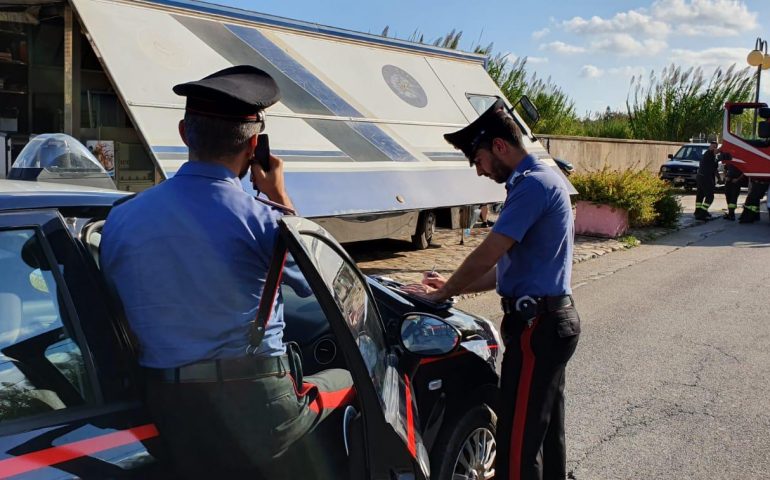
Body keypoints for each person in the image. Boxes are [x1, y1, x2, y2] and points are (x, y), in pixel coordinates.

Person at [100, 65, 352, 479]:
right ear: (255, 146)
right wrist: (279, 195)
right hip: (256, 402)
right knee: (348, 381)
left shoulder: (120, 220)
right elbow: (319, 287)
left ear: (184, 133)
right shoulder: (266, 221)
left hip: (167, 404)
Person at [402, 98, 580, 480]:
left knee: (517, 444)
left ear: (499, 146)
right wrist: (453, 288)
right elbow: (505, 271)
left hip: (538, 325)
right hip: (548, 319)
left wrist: (442, 291)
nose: (479, 171)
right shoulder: (541, 180)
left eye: (478, 160)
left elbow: (489, 251)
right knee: (545, 435)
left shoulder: (532, 186)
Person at [694, 141, 719, 220]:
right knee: (710, 196)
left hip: (700, 177)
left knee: (700, 195)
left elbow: (714, 169)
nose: (714, 148)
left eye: (715, 147)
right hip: (705, 178)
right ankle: (702, 213)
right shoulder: (709, 155)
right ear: (710, 147)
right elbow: (713, 167)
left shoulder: (708, 154)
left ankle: (698, 211)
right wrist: (718, 158)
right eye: (713, 147)